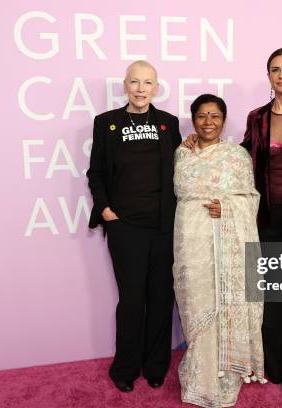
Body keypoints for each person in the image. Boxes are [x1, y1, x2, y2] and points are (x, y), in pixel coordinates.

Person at [183, 47, 282, 395]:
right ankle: (270, 363)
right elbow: (238, 158)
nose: (281, 74)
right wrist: (203, 142)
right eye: (275, 69)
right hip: (262, 218)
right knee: (268, 296)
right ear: (268, 76)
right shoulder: (257, 118)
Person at [86, 60, 182, 392]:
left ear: (156, 88)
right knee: (130, 299)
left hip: (163, 228)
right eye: (135, 82)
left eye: (148, 83)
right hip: (125, 227)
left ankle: (155, 365)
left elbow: (181, 172)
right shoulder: (107, 123)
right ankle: (125, 368)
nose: (141, 89)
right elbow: (95, 173)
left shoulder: (169, 124)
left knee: (160, 298)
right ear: (125, 85)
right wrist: (106, 209)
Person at [173, 94, 265, 408]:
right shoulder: (181, 154)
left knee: (224, 304)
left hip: (227, 246)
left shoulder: (237, 155)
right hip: (191, 240)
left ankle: (225, 377)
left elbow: (251, 198)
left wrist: (226, 206)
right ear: (193, 120)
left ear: (223, 120)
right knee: (196, 305)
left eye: (215, 116)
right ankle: (200, 374)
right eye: (201, 116)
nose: (208, 122)